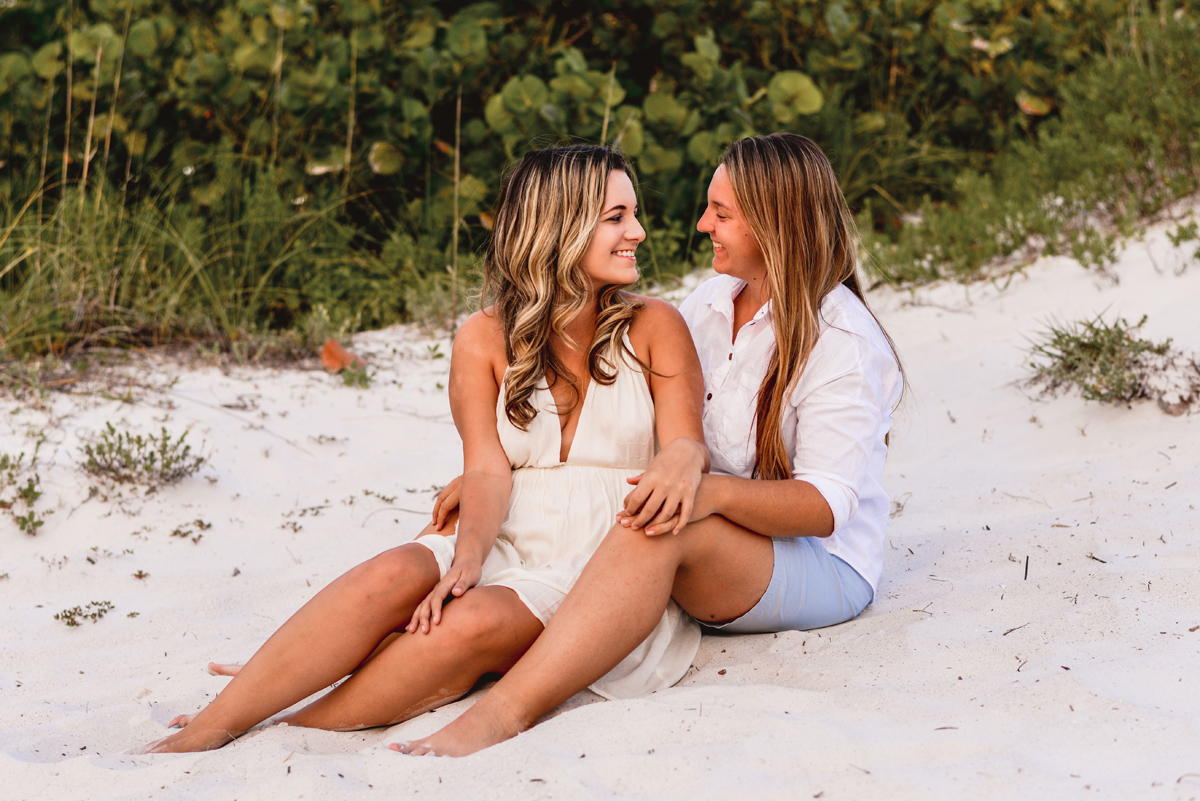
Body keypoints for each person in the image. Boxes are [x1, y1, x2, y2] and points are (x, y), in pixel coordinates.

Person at [137, 144, 711, 753]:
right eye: (616, 217)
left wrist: (687, 453)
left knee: (470, 621)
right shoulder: (483, 336)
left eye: (634, 213)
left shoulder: (655, 326)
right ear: (559, 225)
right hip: (509, 527)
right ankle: (217, 720)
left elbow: (682, 448)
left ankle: (290, 727)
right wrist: (467, 557)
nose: (639, 232)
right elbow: (486, 469)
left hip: (602, 559)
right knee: (397, 571)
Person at [394, 132, 904, 757]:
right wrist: (509, 476)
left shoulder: (843, 341)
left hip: (821, 562)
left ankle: (507, 710)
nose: (701, 224)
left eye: (721, 213)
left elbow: (826, 507)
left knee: (666, 520)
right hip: (729, 537)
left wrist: (706, 492)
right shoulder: (711, 303)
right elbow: (658, 426)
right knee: (650, 511)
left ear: (774, 224)